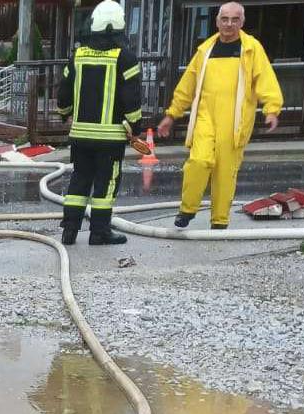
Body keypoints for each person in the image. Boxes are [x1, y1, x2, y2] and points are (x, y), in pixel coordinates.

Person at [157, 2, 282, 230]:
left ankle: (219, 221)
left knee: (225, 172)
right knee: (198, 160)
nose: (229, 24)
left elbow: (266, 81)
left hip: (235, 122)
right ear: (217, 22)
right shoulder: (205, 50)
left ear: (242, 22)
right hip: (206, 117)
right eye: (225, 19)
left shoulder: (251, 49)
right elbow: (188, 86)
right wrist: (172, 114)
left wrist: (271, 109)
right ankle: (187, 209)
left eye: (235, 20)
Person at [55, 0, 142, 245]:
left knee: (79, 179)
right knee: (106, 183)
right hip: (111, 138)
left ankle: (69, 231)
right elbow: (132, 99)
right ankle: (99, 232)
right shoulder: (125, 58)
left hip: (81, 135)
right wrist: (135, 127)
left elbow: (63, 93)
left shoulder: (78, 55)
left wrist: (65, 113)